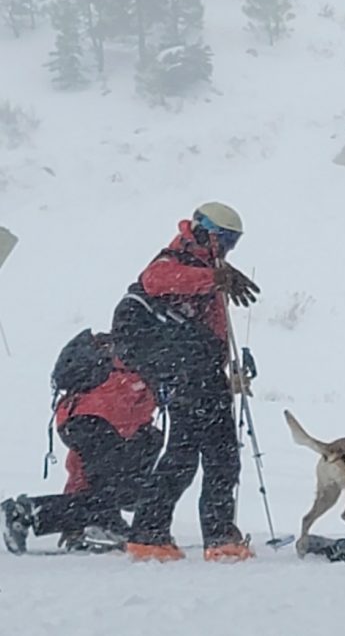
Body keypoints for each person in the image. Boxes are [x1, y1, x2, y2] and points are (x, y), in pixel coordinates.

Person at [111, 202, 259, 562]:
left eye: (233, 243)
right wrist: (214, 278)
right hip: (185, 370)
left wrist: (225, 368)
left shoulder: (206, 268)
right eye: (224, 240)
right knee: (216, 453)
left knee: (186, 453)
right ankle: (217, 536)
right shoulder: (177, 259)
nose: (226, 249)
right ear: (204, 231)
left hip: (192, 370)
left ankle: (150, 534)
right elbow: (155, 280)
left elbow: (212, 329)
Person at [0, 332, 163, 554]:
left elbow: (80, 471)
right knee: (120, 487)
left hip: (76, 417)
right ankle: (26, 512)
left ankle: (90, 523)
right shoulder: (145, 364)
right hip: (103, 419)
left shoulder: (117, 365)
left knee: (106, 486)